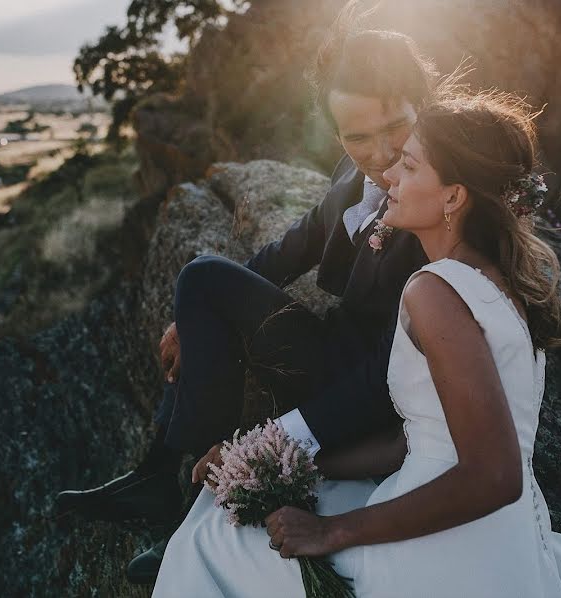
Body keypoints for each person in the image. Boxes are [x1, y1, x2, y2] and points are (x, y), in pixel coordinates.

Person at [151, 90, 561, 597]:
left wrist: (334, 531)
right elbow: (411, 442)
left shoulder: (435, 291)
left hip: (445, 546)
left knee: (210, 542)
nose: (390, 175)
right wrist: (272, 462)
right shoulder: (497, 279)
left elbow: (495, 475)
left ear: (453, 197)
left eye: (412, 166)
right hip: (495, 530)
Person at [54, 5, 437, 582]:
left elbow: (392, 363)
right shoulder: (351, 176)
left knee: (203, 279)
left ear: (423, 104)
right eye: (357, 136)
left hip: (372, 391)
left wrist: (278, 439)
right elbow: (292, 246)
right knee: (203, 286)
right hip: (337, 353)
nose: (380, 155)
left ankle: (186, 503)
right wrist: (194, 319)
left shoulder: (436, 200)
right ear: (337, 133)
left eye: (394, 129)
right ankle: (158, 473)